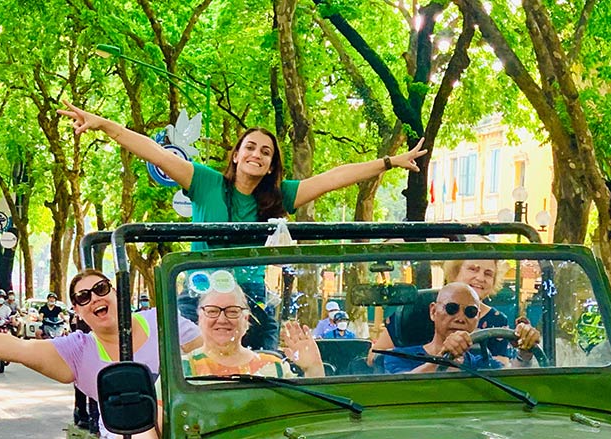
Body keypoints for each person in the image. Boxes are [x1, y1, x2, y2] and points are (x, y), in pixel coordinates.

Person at [57, 105, 424, 346]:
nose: (256, 154)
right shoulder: (204, 181)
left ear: (271, 165)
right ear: (236, 155)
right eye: (250, 147)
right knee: (182, 364)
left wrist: (389, 162)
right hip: (198, 293)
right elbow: (153, 151)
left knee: (266, 359)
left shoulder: (281, 195)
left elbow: (333, 178)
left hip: (250, 296)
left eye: (266, 152)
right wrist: (103, 124)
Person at [0, 269, 201, 439]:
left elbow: (211, 357)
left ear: (117, 293)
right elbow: (17, 347)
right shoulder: (79, 350)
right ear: (77, 310)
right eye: (84, 297)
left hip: (190, 424)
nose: (95, 298)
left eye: (101, 289)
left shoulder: (162, 321)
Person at [370, 257, 513, 365]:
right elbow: (375, 359)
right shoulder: (415, 309)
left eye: (488, 274)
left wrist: (523, 350)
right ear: (433, 311)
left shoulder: (497, 321)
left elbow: (499, 372)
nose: (480, 278)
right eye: (473, 269)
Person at [379, 282, 540, 374]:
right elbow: (400, 389)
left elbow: (512, 385)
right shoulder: (399, 357)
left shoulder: (482, 363)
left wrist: (525, 352)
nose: (461, 318)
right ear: (433, 311)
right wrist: (443, 360)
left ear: (477, 318)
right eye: (451, 308)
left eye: (470, 312)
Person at [182, 284, 323, 378]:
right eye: (212, 311)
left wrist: (313, 368)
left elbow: (310, 410)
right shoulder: (181, 368)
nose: (222, 319)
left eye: (232, 311)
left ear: (246, 319)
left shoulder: (274, 367)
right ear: (199, 318)